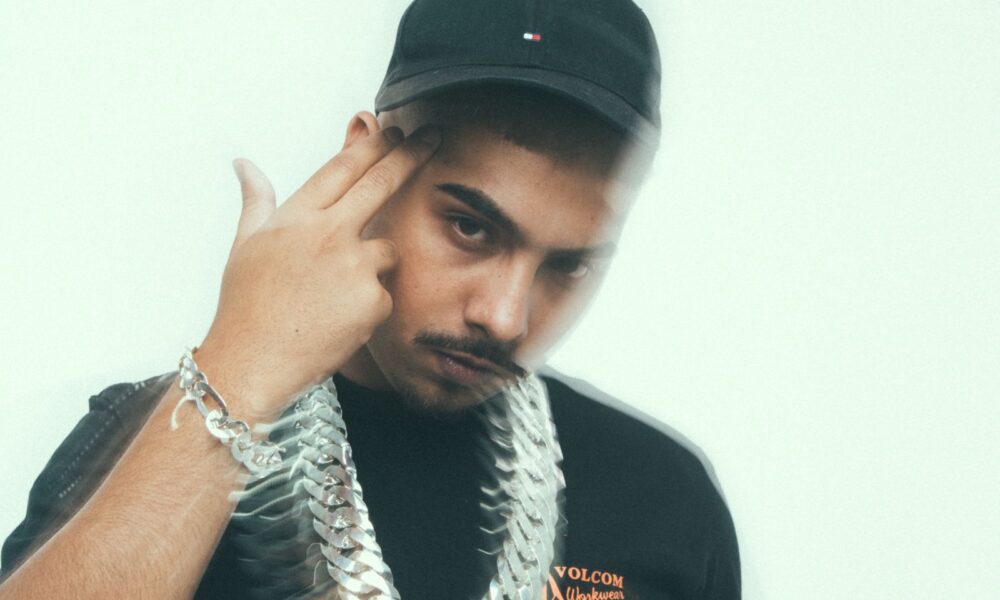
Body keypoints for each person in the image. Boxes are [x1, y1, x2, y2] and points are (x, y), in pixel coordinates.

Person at [0, 0, 740, 598]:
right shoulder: (143, 443)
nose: (505, 316)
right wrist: (243, 367)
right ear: (367, 160)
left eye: (569, 265)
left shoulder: (662, 500)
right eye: (470, 227)